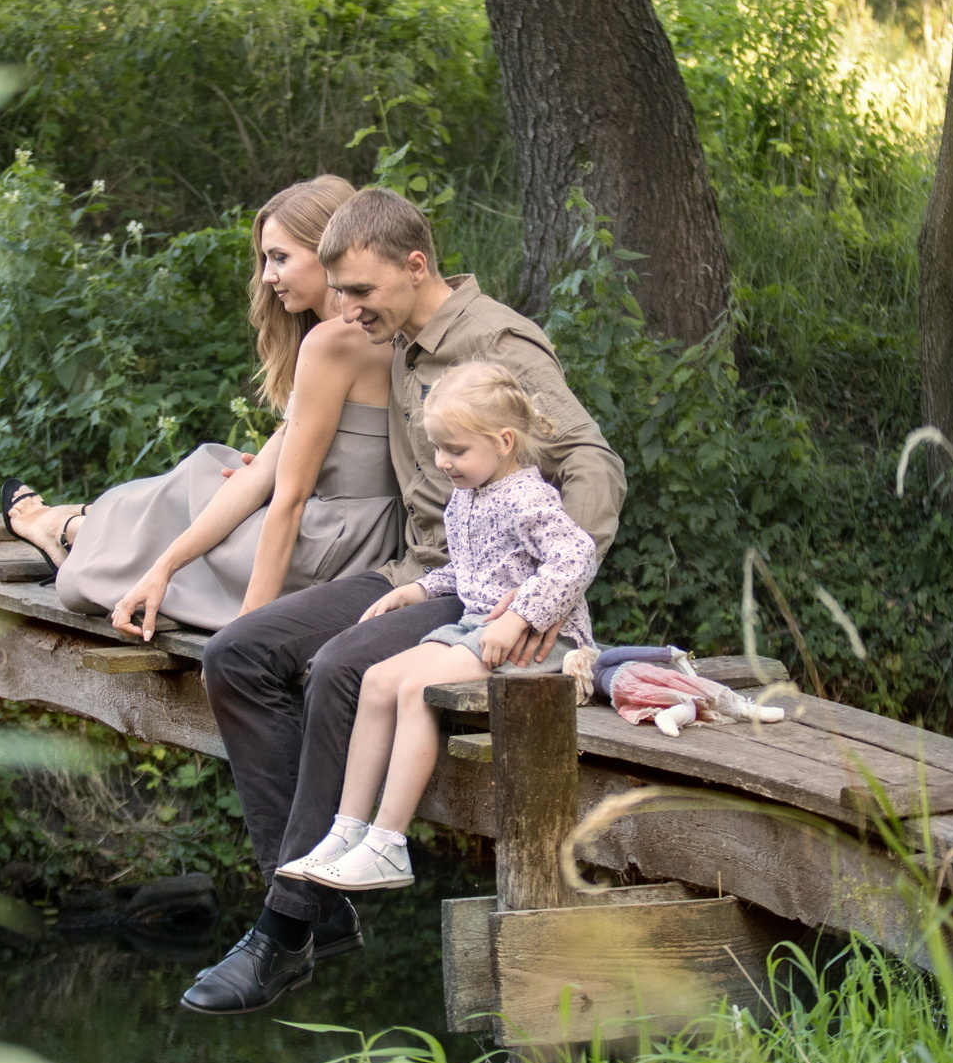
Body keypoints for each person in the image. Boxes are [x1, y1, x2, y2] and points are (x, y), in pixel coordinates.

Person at [180, 186, 626, 1017]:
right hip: (416, 571)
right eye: (339, 292)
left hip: (487, 592)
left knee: (342, 667)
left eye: (358, 293)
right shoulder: (404, 337)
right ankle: (326, 898)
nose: (343, 310)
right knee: (235, 653)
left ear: (416, 268)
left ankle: (283, 931)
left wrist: (540, 606)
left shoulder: (496, 341)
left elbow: (594, 463)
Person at [1, 176, 403, 635]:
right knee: (215, 471)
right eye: (266, 259)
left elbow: (287, 498)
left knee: (170, 512)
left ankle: (68, 528)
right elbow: (269, 473)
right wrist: (166, 567)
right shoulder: (387, 323)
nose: (268, 275)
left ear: (329, 251)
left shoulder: (336, 341)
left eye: (281, 258)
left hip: (330, 547)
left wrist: (246, 635)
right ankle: (76, 526)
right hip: (367, 539)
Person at [278, 362, 597, 891]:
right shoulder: (468, 497)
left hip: (536, 642)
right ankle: (347, 830)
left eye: (456, 450)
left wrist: (521, 615)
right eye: (438, 448)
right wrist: (421, 588)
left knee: (418, 688)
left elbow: (576, 558)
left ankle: (388, 844)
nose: (444, 462)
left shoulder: (526, 495)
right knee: (378, 680)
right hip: (476, 627)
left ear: (504, 440)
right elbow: (476, 568)